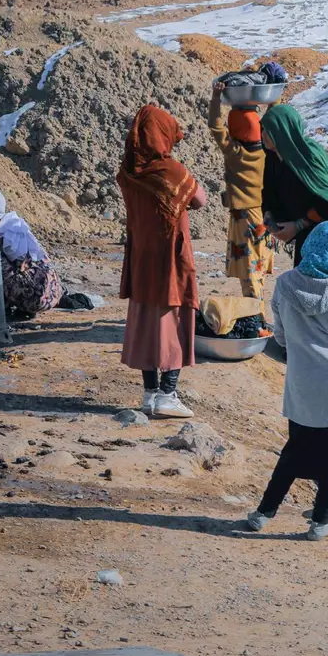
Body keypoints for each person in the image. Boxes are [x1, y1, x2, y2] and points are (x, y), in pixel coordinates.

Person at [248, 221, 328, 541]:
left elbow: (281, 338)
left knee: (293, 454)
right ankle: (321, 522)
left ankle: (263, 513)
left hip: (303, 387)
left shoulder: (285, 285)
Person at [117, 104, 207, 419]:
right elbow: (199, 199)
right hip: (170, 256)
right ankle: (168, 395)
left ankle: (149, 394)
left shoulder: (128, 172)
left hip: (141, 256)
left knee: (145, 322)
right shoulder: (170, 170)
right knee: (173, 320)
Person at [260, 105, 328, 293]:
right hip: (307, 228)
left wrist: (297, 226)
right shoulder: (273, 157)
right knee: (305, 286)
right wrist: (269, 217)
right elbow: (268, 191)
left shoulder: (308, 157)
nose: (263, 134)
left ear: (282, 131)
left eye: (268, 130)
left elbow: (327, 204)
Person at [208, 83, 275, 298]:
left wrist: (216, 96)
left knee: (249, 271)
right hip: (263, 215)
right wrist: (273, 98)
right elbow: (272, 120)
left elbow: (215, 126)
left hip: (244, 217)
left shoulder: (234, 152)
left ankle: (256, 313)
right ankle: (258, 309)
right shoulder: (266, 150)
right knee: (258, 266)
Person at [0, 186, 63, 319]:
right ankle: (22, 307)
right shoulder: (9, 224)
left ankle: (1, 309)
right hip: (52, 294)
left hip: (35, 298)